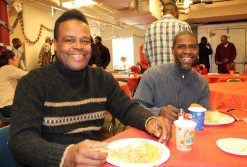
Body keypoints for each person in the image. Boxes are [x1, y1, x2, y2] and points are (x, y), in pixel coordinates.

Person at [9, 9, 172, 167]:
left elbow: (128, 109)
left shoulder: (102, 79)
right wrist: (65, 156)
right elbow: (21, 140)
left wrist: (149, 120)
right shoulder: (32, 83)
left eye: (85, 41)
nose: (79, 46)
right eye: (69, 40)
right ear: (56, 45)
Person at [133, 31, 211, 123]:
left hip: (190, 136)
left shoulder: (202, 83)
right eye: (181, 47)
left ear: (197, 50)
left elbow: (207, 117)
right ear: (173, 50)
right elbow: (135, 109)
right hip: (154, 136)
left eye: (192, 47)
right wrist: (158, 112)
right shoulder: (151, 75)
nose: (187, 51)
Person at [143, 2, 192, 67]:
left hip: (156, 75)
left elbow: (146, 55)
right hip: (179, 75)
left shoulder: (150, 28)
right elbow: (190, 52)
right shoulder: (184, 26)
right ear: (175, 11)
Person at [0, 50, 28, 118]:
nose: (18, 60)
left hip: (4, 107)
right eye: (16, 58)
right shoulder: (8, 68)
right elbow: (29, 75)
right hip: (8, 107)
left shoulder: (2, 69)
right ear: (10, 60)